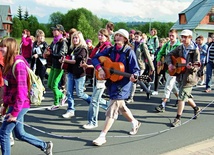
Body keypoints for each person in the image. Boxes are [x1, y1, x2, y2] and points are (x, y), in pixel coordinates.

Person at [0, 37, 53, 155]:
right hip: (14, 103)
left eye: (3, 46)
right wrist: (5, 105)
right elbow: (8, 88)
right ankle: (45, 145)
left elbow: (22, 92)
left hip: (21, 104)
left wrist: (14, 113)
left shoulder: (18, 65)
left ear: (10, 48)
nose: (0, 49)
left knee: (4, 133)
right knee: (19, 134)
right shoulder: (8, 64)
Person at [92, 29, 141, 146]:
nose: (117, 37)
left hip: (123, 84)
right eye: (116, 35)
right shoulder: (110, 50)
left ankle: (102, 135)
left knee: (113, 107)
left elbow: (136, 70)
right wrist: (100, 69)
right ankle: (135, 122)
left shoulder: (129, 52)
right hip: (112, 81)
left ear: (125, 39)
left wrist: (135, 76)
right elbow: (94, 58)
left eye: (120, 36)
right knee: (121, 107)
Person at [165, 29, 201, 127]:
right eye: (182, 37)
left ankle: (178, 118)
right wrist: (170, 64)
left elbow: (197, 65)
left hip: (189, 78)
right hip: (180, 75)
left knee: (181, 97)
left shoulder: (195, 50)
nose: (183, 39)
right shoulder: (180, 48)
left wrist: (192, 67)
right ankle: (196, 108)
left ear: (190, 38)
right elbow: (169, 55)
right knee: (185, 95)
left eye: (186, 37)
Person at [82, 28, 112, 129]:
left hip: (102, 77)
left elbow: (106, 63)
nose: (100, 37)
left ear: (107, 37)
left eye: (102, 35)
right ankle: (110, 106)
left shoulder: (107, 47)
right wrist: (90, 66)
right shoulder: (99, 47)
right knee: (96, 99)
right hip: (97, 75)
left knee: (94, 100)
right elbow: (95, 61)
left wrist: (97, 67)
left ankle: (93, 122)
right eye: (99, 35)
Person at [60, 31, 91, 118]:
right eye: (73, 38)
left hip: (79, 74)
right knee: (69, 93)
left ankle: (92, 101)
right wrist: (63, 60)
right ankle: (70, 110)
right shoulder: (73, 48)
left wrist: (65, 61)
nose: (74, 39)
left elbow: (76, 61)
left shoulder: (83, 49)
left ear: (80, 39)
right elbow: (69, 57)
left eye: (76, 38)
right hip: (70, 72)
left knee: (80, 93)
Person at [155, 29, 181, 112]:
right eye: (170, 35)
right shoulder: (167, 45)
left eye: (172, 35)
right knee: (172, 86)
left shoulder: (179, 45)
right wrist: (159, 60)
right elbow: (160, 53)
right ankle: (180, 97)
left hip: (175, 69)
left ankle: (163, 105)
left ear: (176, 35)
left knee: (168, 86)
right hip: (167, 68)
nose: (171, 37)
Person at [44, 24, 68, 111]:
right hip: (53, 65)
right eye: (53, 30)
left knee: (54, 85)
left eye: (55, 30)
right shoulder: (54, 41)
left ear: (60, 32)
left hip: (59, 66)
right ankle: (62, 96)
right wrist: (46, 51)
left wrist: (51, 54)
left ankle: (57, 102)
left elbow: (62, 54)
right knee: (50, 84)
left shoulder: (63, 42)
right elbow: (49, 49)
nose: (53, 31)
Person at [126, 30, 154, 103]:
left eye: (137, 36)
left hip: (140, 66)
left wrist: (152, 67)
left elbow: (148, 56)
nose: (136, 38)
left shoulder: (143, 45)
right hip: (133, 65)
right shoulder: (132, 44)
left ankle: (131, 97)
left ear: (141, 37)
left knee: (134, 81)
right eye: (135, 36)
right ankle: (147, 90)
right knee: (138, 80)